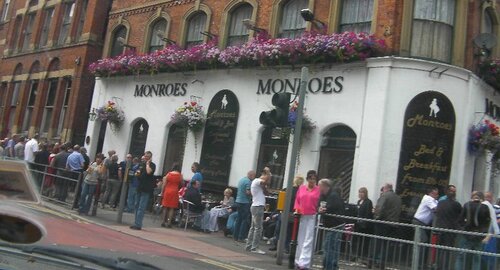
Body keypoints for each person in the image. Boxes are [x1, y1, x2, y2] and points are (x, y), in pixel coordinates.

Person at [368, 183, 402, 269]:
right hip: (393, 224)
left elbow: (379, 208)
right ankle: (382, 263)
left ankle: (371, 261)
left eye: (383, 188)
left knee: (377, 243)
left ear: (385, 188)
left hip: (382, 223)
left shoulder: (384, 196)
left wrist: (376, 217)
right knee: (386, 245)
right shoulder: (398, 198)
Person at [455, 191, 491, 270]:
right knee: (476, 258)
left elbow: (460, 221)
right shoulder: (485, 207)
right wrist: (483, 234)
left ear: (472, 198)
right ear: (481, 198)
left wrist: (463, 230)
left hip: (466, 235)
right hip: (478, 236)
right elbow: (487, 222)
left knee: (461, 256)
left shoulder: (466, 205)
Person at [294, 170, 320, 269]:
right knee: (300, 238)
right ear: (307, 178)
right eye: (310, 178)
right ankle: (298, 259)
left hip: (312, 216)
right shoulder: (302, 188)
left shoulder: (318, 189)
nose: (312, 180)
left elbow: (320, 201)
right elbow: (297, 200)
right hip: (302, 215)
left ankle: (304, 263)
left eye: (314, 179)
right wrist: (297, 209)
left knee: (309, 239)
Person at [318, 179, 345, 270]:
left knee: (328, 246)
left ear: (325, 186)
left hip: (336, 224)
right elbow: (320, 204)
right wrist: (320, 209)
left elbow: (331, 206)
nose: (318, 188)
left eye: (320, 186)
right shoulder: (323, 195)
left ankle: (328, 267)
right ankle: (333, 266)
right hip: (331, 224)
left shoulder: (333, 196)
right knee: (332, 246)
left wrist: (324, 210)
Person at [434, 185, 462, 270]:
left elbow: (437, 213)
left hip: (440, 229)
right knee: (447, 251)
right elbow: (461, 216)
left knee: (439, 250)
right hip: (450, 230)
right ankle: (444, 267)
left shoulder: (441, 202)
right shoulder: (456, 204)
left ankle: (438, 267)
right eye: (454, 191)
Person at [245, 169, 271, 255]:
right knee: (258, 228)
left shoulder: (257, 183)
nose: (268, 178)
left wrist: (265, 186)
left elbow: (266, 192)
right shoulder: (257, 181)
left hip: (255, 206)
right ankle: (254, 247)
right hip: (258, 207)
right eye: (267, 175)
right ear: (263, 174)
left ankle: (249, 246)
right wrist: (268, 174)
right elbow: (265, 182)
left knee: (253, 228)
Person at [130, 151, 156, 230]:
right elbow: (138, 174)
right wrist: (136, 174)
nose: (146, 158)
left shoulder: (152, 165)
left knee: (141, 207)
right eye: (145, 156)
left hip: (146, 189)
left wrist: (148, 164)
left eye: (148, 156)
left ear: (150, 157)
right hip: (139, 187)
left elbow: (149, 172)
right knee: (136, 205)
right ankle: (135, 222)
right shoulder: (141, 165)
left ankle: (138, 224)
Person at [233, 170, 256, 242]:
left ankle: (235, 236)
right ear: (251, 175)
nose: (254, 178)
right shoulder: (248, 182)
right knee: (244, 220)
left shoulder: (241, 180)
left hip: (238, 201)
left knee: (238, 219)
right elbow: (247, 192)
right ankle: (241, 237)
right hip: (245, 202)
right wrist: (254, 194)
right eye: (254, 176)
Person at [161, 163, 183, 228]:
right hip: (175, 191)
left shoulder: (169, 174)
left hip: (167, 191)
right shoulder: (180, 175)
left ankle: (163, 221)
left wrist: (162, 192)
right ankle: (169, 223)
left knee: (165, 206)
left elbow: (164, 184)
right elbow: (182, 184)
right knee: (172, 208)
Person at [482, 191, 500, 270]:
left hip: (491, 237)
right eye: (486, 197)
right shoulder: (481, 207)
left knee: (489, 258)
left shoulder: (495, 209)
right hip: (484, 235)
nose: (487, 199)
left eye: (489, 197)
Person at [354, 187, 373, 258]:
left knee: (364, 241)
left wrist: (365, 223)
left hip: (364, 225)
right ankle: (357, 254)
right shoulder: (359, 201)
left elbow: (368, 213)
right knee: (358, 240)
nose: (360, 194)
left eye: (362, 192)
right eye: (359, 192)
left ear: (365, 194)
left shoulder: (368, 202)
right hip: (358, 223)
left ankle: (363, 255)